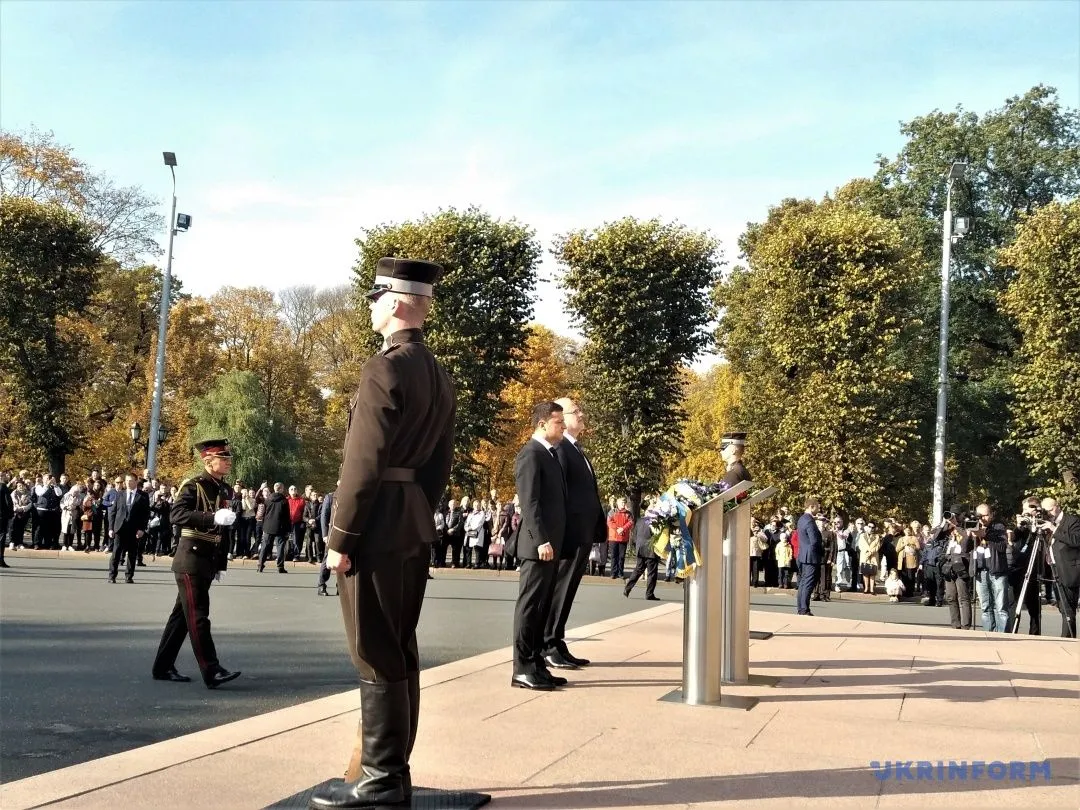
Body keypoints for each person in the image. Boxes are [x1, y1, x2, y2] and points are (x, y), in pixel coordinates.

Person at [313, 257, 455, 810]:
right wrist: (418, 508)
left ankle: (381, 778)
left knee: (373, 649)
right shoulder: (436, 373)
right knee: (400, 645)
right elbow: (438, 464)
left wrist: (341, 535)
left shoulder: (385, 369)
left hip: (374, 523)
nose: (370, 309)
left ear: (395, 302)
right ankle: (393, 771)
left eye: (375, 300)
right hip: (411, 517)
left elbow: (362, 462)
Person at [151, 439, 241, 688]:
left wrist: (220, 563)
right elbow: (176, 515)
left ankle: (162, 666)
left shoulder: (223, 489)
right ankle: (211, 670)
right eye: (223, 459)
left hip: (206, 560)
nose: (227, 462)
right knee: (199, 616)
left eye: (227, 458)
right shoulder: (194, 485)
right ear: (208, 461)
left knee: (181, 617)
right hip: (191, 558)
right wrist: (211, 517)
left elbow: (222, 533)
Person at [507, 401, 569, 692]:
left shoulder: (550, 454)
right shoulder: (531, 454)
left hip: (549, 545)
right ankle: (521, 667)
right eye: (559, 422)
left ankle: (536, 663)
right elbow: (529, 503)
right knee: (530, 607)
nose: (564, 426)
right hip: (537, 546)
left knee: (542, 607)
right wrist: (541, 539)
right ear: (542, 423)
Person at [543, 397, 607, 670]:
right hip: (569, 533)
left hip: (582, 531)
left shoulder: (575, 449)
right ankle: (548, 644)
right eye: (575, 411)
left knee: (568, 591)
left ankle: (557, 640)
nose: (581, 414)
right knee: (559, 589)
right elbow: (559, 495)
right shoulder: (560, 449)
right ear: (561, 417)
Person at [1041, 497, 1079, 638]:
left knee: (1068, 608)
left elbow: (1076, 540)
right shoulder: (1046, 521)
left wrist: (1054, 529)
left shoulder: (1072, 520)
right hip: (1054, 568)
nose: (1049, 513)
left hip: (1069, 569)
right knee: (1063, 608)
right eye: (1046, 511)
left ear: (1057, 506)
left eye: (1051, 510)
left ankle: (1067, 639)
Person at [107, 474, 149, 583]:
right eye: (126, 481)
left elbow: (145, 514)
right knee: (116, 553)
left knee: (132, 553)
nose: (128, 483)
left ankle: (129, 576)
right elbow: (113, 512)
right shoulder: (120, 494)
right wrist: (111, 528)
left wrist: (142, 529)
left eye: (130, 481)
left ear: (136, 482)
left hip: (134, 529)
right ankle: (112, 576)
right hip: (120, 528)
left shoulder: (143, 496)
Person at [624, 498, 661, 600]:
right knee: (651, 573)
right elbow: (657, 537)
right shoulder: (655, 522)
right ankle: (649, 594)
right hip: (651, 550)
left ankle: (627, 588)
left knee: (638, 570)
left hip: (640, 548)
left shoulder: (640, 521)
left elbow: (635, 535)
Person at [795, 496, 823, 615]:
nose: (819, 509)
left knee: (803, 583)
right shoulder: (810, 521)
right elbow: (814, 540)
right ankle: (804, 609)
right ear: (811, 507)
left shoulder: (802, 519)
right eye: (817, 507)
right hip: (811, 556)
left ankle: (801, 607)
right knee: (808, 583)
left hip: (803, 555)